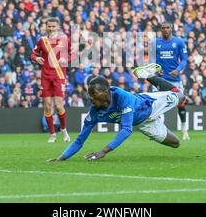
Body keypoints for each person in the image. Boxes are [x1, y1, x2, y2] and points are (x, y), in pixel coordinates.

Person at [47, 69, 186, 162]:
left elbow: (126, 129)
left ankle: (150, 76)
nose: (91, 98)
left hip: (150, 105)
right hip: (142, 123)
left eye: (93, 95)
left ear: (106, 92)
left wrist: (104, 151)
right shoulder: (94, 111)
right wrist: (61, 158)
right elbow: (79, 140)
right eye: (89, 95)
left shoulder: (122, 96)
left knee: (181, 96)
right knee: (175, 143)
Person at [144, 22, 190, 140]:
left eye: (167, 28)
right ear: (160, 29)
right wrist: (156, 68)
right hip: (159, 80)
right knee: (157, 105)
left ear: (171, 29)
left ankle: (184, 130)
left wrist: (178, 69)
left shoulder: (178, 42)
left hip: (175, 79)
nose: (165, 30)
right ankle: (157, 131)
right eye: (163, 28)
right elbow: (151, 60)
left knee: (180, 103)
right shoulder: (155, 43)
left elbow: (184, 59)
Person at [31, 17, 71, 143]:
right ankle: (52, 134)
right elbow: (33, 54)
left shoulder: (64, 40)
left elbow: (73, 54)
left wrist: (66, 60)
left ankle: (64, 131)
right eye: (49, 26)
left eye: (53, 26)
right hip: (45, 77)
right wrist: (36, 59)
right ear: (46, 27)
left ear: (58, 27)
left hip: (59, 76)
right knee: (48, 106)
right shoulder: (42, 40)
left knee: (59, 106)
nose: (51, 28)